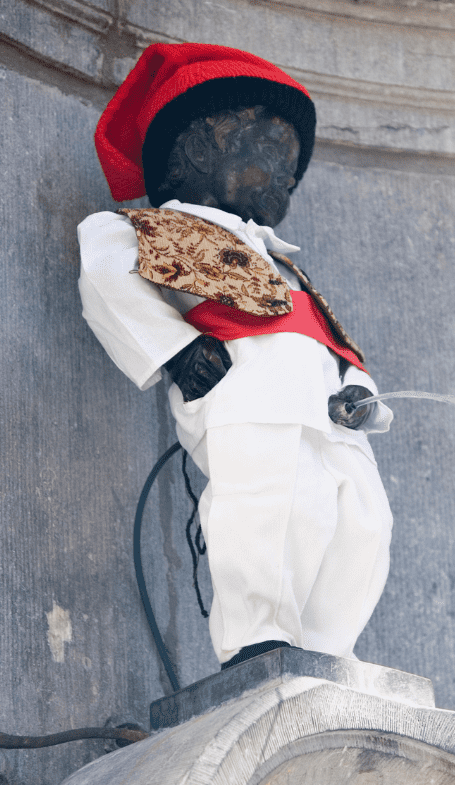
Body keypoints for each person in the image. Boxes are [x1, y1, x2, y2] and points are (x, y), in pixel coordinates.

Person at [77, 43, 393, 669]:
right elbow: (108, 282)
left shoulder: (284, 263)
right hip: (247, 398)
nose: (289, 175)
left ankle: (329, 652)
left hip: (330, 420)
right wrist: (177, 350)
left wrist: (361, 390)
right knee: (266, 506)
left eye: (295, 166)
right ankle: (259, 638)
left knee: (363, 524)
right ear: (199, 147)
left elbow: (327, 338)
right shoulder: (145, 231)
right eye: (275, 149)